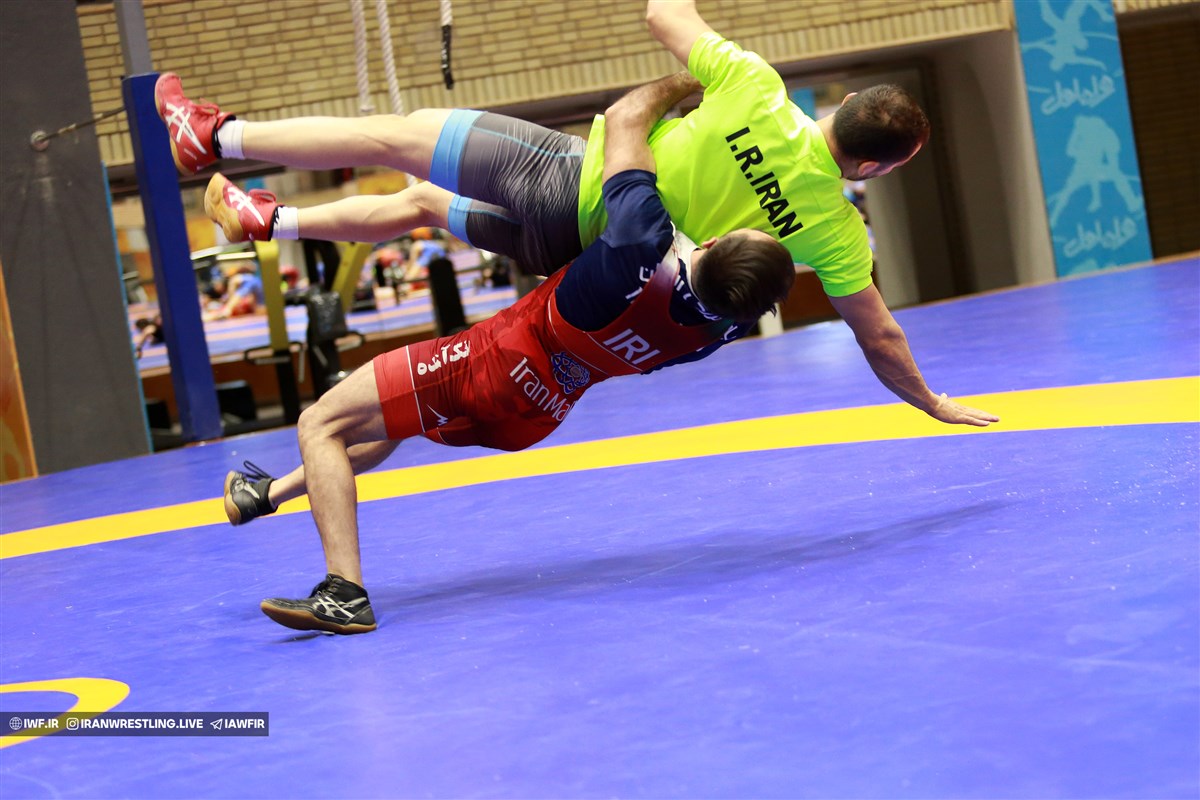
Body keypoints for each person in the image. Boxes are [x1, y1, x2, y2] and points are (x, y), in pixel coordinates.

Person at [156, 0, 989, 431]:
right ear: (876, 167)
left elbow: (664, 14)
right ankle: (271, 223)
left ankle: (217, 138)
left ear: (843, 105)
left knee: (400, 140)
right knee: (421, 205)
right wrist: (929, 401)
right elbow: (878, 334)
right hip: (580, 263)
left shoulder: (758, 89)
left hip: (566, 186)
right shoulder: (836, 231)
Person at [218, 79, 807, 635]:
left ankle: (344, 592)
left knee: (320, 423)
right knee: (397, 417)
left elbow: (626, 117)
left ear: (711, 241)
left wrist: (689, 81)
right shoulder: (719, 329)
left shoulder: (642, 244)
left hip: (489, 365)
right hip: (540, 411)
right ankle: (265, 495)